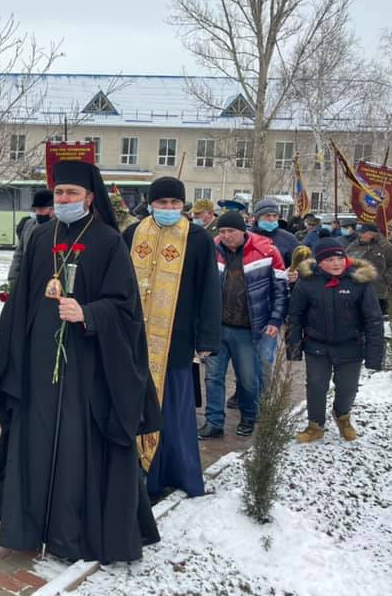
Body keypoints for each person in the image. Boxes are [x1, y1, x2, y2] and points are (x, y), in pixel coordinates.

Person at [0, 158, 160, 563]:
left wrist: (89, 313)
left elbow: (126, 309)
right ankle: (29, 529)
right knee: (34, 445)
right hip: (38, 365)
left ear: (90, 197)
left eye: (72, 193)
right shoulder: (39, 236)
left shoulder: (108, 241)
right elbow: (22, 299)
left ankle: (70, 536)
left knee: (74, 450)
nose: (64, 199)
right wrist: (13, 351)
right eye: (59, 193)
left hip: (85, 369)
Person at [124, 177, 220, 501]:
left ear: (183, 206)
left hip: (177, 340)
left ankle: (177, 473)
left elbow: (209, 290)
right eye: (161, 203)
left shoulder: (198, 239)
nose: (168, 209)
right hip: (134, 340)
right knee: (137, 406)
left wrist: (207, 337)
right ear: (150, 204)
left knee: (174, 411)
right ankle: (141, 476)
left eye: (174, 204)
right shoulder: (132, 234)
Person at [200, 211, 288, 439]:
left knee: (249, 377)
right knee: (212, 377)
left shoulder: (266, 251)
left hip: (249, 328)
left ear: (243, 231)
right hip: (217, 327)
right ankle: (214, 422)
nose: (226, 236)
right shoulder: (212, 251)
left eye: (231, 231)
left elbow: (280, 289)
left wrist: (275, 320)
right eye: (222, 231)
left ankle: (249, 417)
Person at [288, 238, 383, 443]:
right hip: (317, 345)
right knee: (315, 385)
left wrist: (374, 356)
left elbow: (373, 319)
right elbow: (295, 316)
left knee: (347, 387)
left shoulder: (359, 282)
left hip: (351, 346)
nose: (336, 264)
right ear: (319, 261)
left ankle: (342, 416)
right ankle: (315, 425)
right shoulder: (307, 283)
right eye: (330, 259)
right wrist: (294, 348)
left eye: (340, 258)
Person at [346, 223, 392, 317]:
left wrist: (387, 279)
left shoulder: (386, 247)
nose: (360, 235)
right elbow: (346, 264)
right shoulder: (352, 246)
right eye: (361, 233)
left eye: (363, 233)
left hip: (379, 291)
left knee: (377, 318)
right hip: (356, 289)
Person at [7, 188, 54, 288]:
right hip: (27, 277)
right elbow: (19, 253)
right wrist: (13, 277)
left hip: (49, 281)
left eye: (41, 209)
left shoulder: (59, 226)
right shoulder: (29, 224)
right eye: (36, 209)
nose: (37, 213)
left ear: (52, 209)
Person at [250, 199, 298, 284]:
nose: (271, 219)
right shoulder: (247, 237)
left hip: (282, 288)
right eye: (267, 215)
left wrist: (294, 272)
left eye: (275, 216)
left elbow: (300, 263)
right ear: (257, 217)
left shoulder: (289, 238)